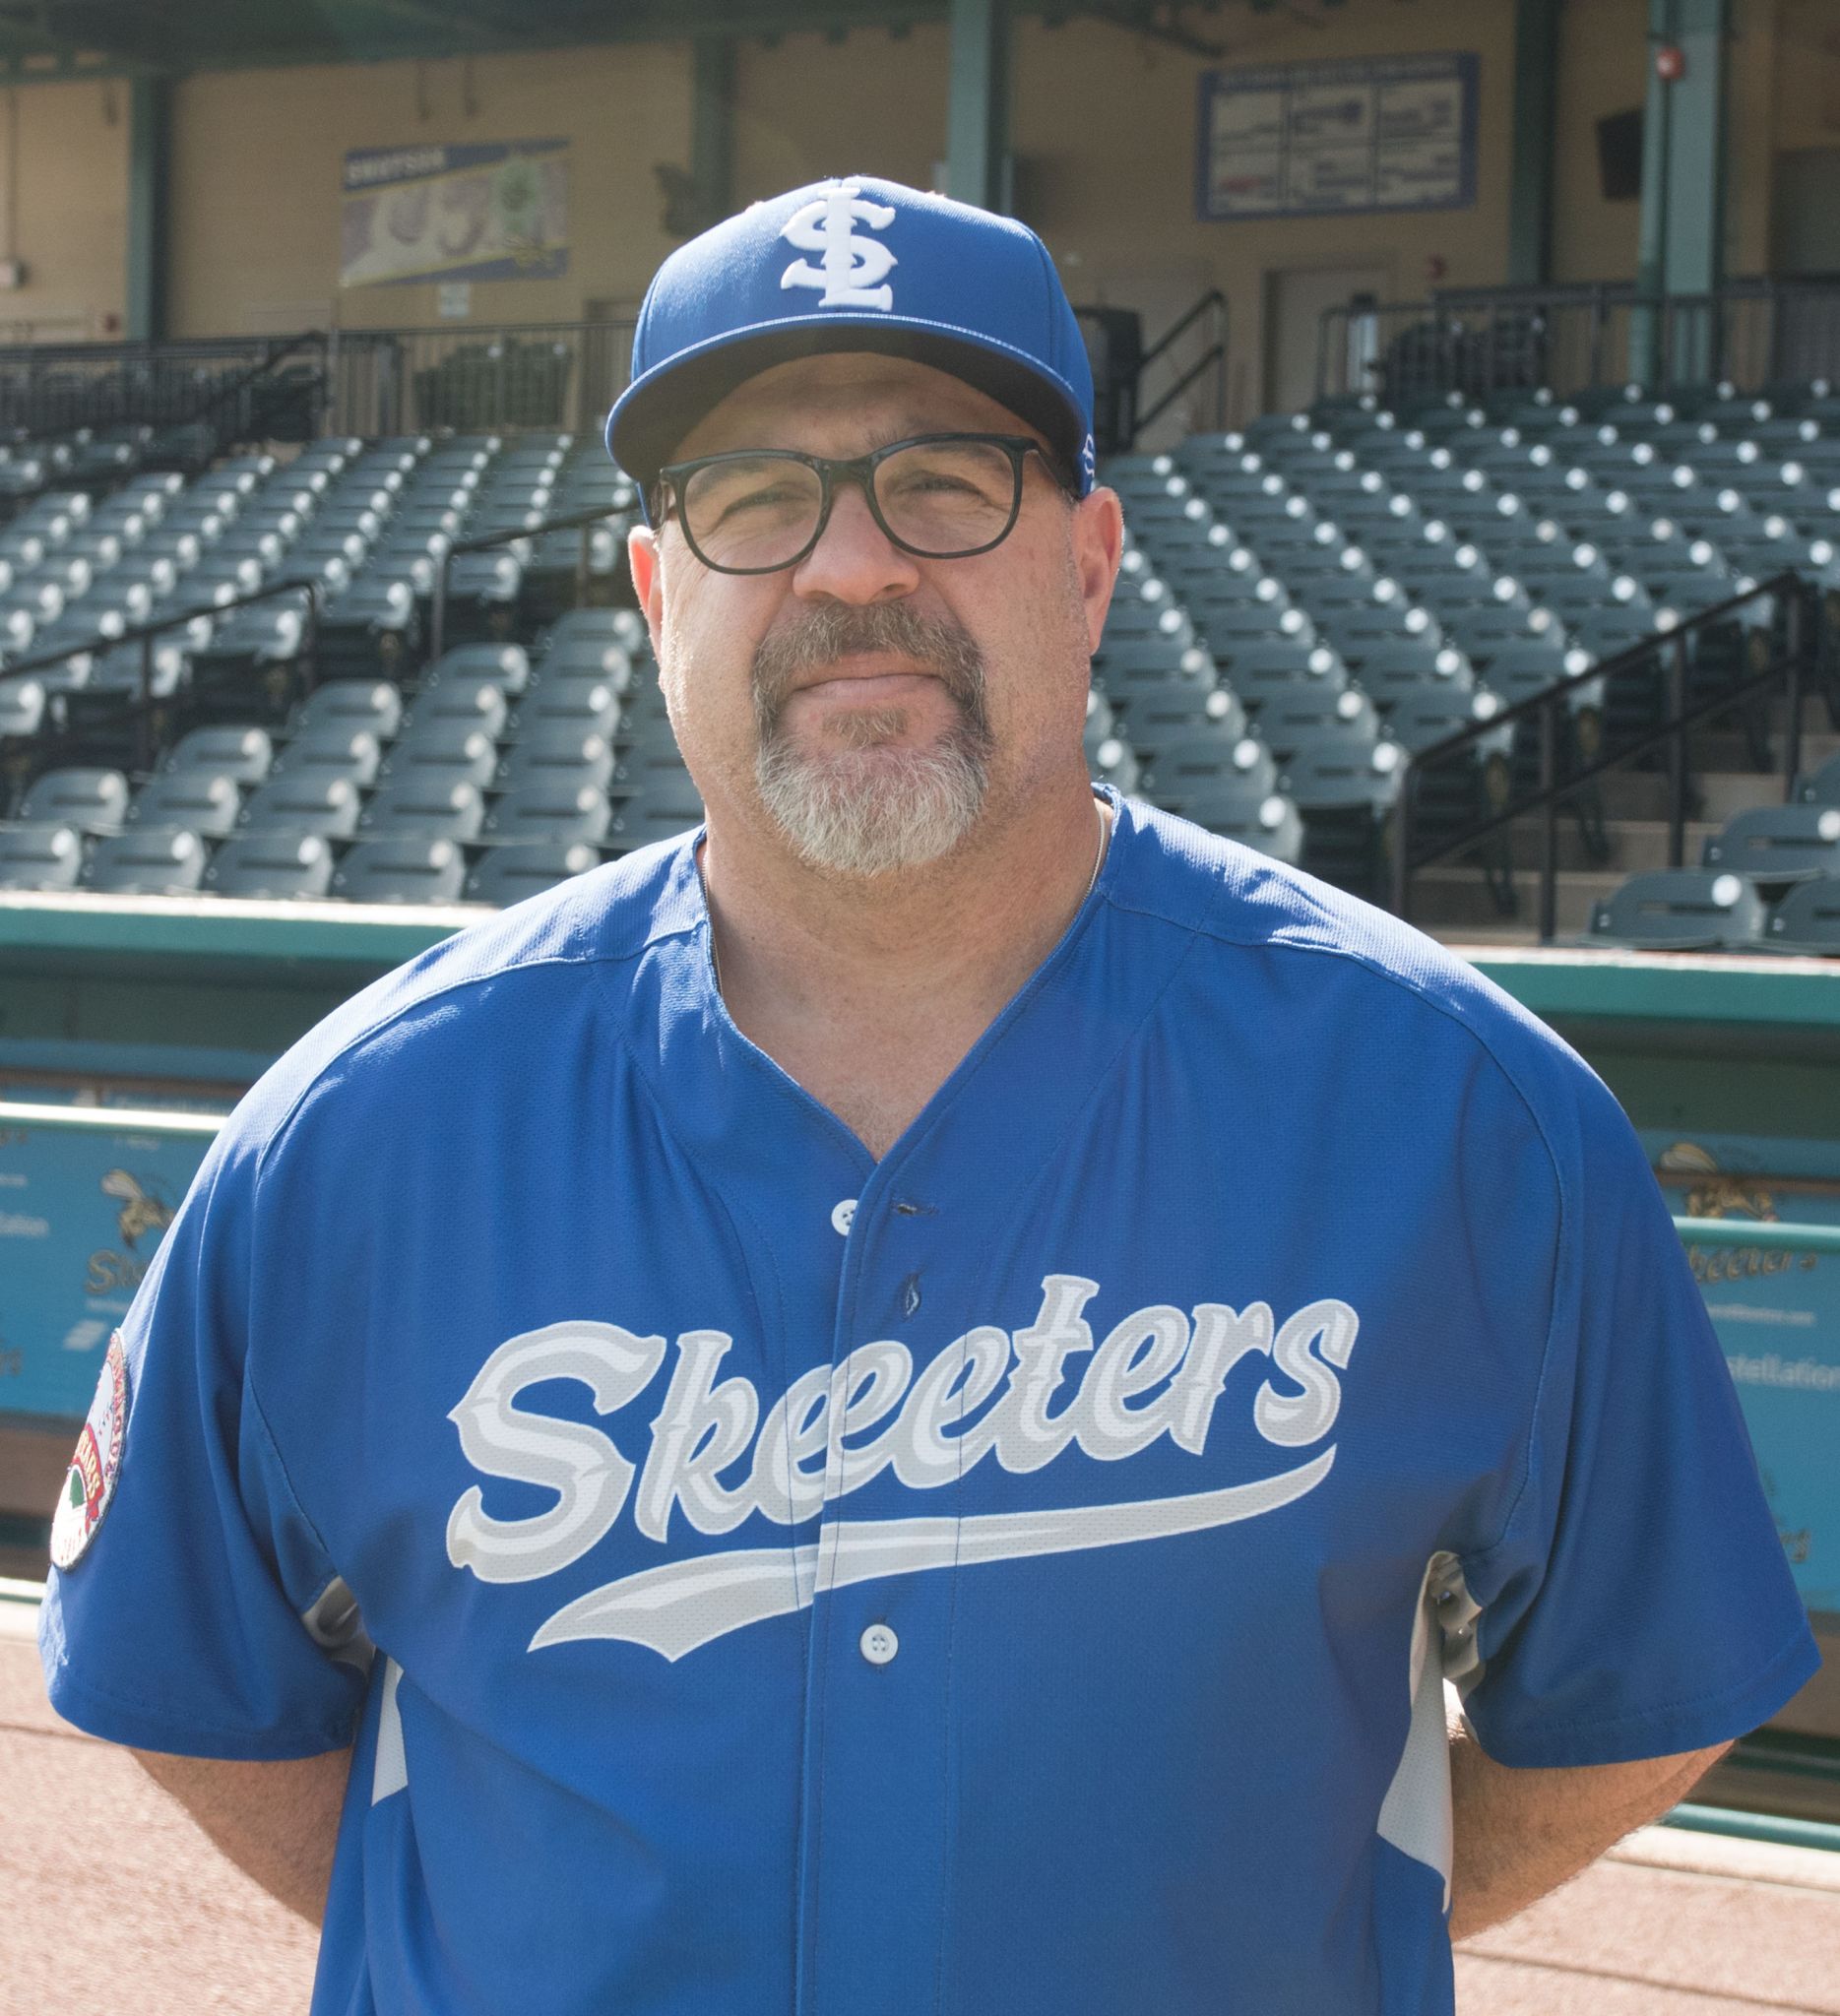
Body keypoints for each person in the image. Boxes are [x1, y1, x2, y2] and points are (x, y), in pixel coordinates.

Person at [39, 175, 1819, 2016]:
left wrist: (1298, 1927)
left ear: (1090, 567)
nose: (851, 567)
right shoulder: (358, 1136)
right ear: (655, 594)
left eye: (947, 480)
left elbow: (1639, 1692)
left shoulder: (1460, 1116)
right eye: (752, 497)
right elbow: (192, 1679)